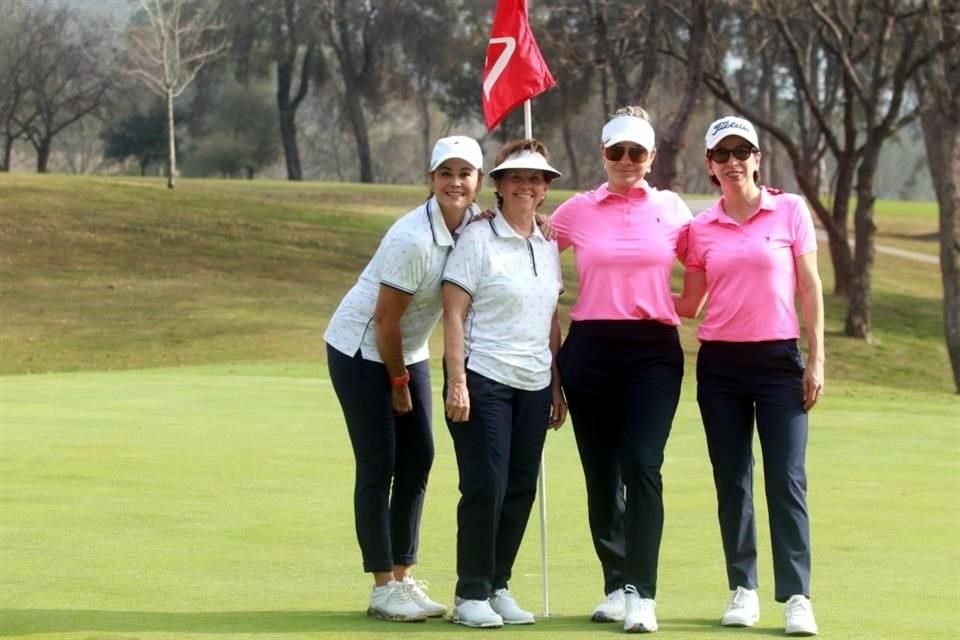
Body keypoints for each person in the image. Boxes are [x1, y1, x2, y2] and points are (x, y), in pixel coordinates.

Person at [324, 135, 484, 622]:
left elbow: (509, 228)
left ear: (478, 181)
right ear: (430, 179)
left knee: (420, 456)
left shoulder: (476, 224)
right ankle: (380, 588)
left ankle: (403, 576)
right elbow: (384, 321)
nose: (455, 182)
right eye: (446, 173)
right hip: (361, 348)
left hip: (408, 349)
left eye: (465, 174)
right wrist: (398, 384)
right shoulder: (412, 238)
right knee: (380, 462)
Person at [675, 115, 825, 637]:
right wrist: (629, 299)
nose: (733, 161)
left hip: (780, 362)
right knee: (732, 479)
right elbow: (690, 304)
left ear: (758, 158)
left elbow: (809, 288)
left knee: (786, 478)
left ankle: (797, 597)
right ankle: (743, 588)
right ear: (710, 166)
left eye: (742, 152)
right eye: (722, 155)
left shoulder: (790, 210)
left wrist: (818, 358)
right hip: (719, 365)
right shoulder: (700, 227)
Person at [549, 106, 693, 633]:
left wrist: (682, 301)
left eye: (637, 152)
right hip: (590, 349)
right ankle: (614, 583)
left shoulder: (674, 209)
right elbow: (531, 251)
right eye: (617, 151)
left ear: (652, 157)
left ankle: (641, 593)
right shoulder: (577, 211)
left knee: (642, 464)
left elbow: (706, 261)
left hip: (653, 350)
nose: (626, 160)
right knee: (602, 474)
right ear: (603, 154)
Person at [442, 138, 567, 629]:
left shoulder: (547, 242)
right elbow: (454, 311)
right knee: (486, 486)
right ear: (498, 185)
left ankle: (498, 585)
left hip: (534, 383)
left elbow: (550, 318)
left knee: (519, 487)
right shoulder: (478, 237)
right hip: (484, 377)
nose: (527, 185)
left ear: (544, 190)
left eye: (536, 179)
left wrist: (556, 384)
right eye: (516, 177)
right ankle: (470, 592)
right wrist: (457, 381)